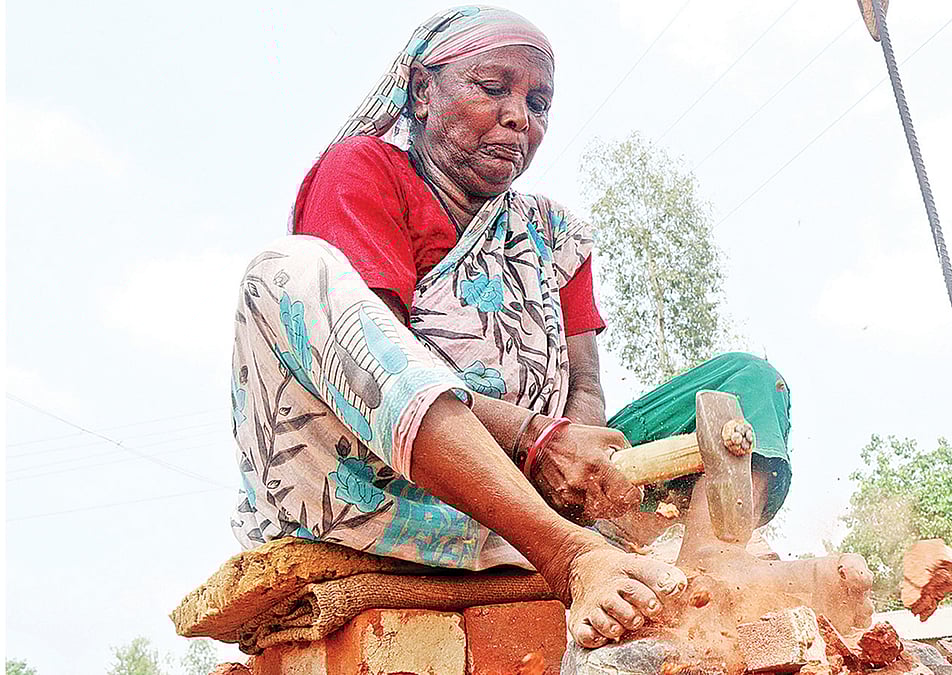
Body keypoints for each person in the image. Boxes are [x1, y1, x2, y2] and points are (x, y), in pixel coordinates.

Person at [228, 5, 792, 648]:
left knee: (749, 383)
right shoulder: (363, 172)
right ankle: (571, 558)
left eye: (538, 100)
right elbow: (367, 369)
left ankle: (709, 584)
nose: (519, 116)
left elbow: (584, 386)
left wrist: (580, 456)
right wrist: (535, 439)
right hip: (376, 484)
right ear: (421, 92)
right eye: (493, 89)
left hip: (539, 491)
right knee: (287, 268)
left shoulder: (556, 234)